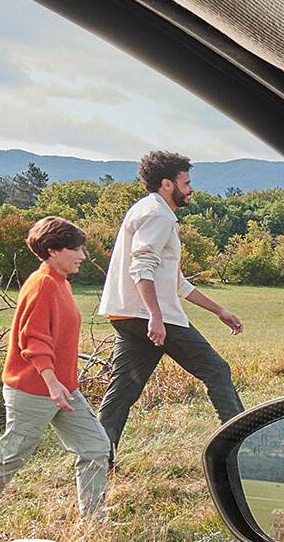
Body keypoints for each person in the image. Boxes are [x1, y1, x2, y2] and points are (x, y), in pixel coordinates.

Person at [0, 218, 110, 526]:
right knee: (10, 458)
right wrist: (51, 382)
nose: (83, 256)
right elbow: (33, 339)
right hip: (34, 390)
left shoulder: (61, 282)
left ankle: (93, 522)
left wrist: (61, 385)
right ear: (52, 250)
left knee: (96, 447)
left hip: (63, 388)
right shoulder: (43, 284)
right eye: (75, 249)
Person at [96, 149, 247, 458]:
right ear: (167, 184)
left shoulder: (146, 209)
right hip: (154, 317)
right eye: (186, 182)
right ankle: (240, 445)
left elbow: (176, 282)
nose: (191, 189)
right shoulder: (158, 214)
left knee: (122, 392)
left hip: (126, 315)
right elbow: (141, 267)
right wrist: (155, 316)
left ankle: (98, 459)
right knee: (217, 371)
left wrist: (219, 310)